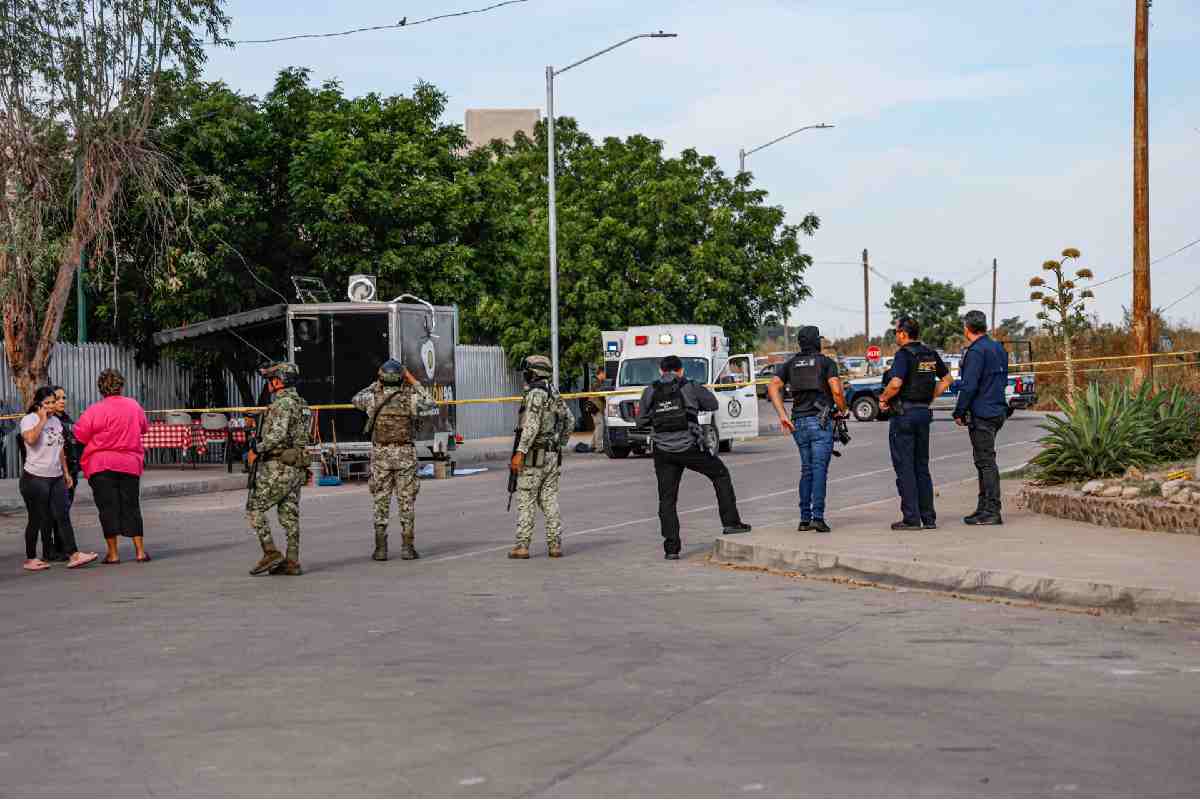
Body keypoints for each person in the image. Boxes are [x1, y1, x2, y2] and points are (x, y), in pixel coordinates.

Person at [637, 355, 751, 560]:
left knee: (667, 500)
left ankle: (671, 548)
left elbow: (641, 421)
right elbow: (713, 404)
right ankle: (731, 523)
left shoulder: (650, 390)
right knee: (720, 474)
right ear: (680, 370)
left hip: (663, 451)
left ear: (661, 371)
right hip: (689, 447)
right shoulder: (690, 386)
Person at [352, 358, 437, 561]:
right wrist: (413, 380)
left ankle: (380, 549)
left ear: (381, 378)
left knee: (381, 501)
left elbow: (355, 398)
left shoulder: (372, 398)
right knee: (406, 502)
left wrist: (376, 383)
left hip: (381, 456)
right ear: (401, 378)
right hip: (405, 456)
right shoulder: (410, 399)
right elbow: (431, 402)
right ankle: (407, 547)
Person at [767, 326, 849, 533]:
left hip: (798, 423)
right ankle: (817, 517)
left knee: (807, 469)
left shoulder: (790, 363)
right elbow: (837, 391)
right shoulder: (826, 362)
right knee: (819, 469)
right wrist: (843, 410)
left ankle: (804, 519)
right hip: (820, 422)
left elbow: (772, 386)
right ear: (817, 342)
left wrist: (782, 415)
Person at [878, 318, 953, 531]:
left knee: (905, 467)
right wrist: (930, 398)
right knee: (922, 466)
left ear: (903, 333)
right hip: (923, 413)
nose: (895, 335)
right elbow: (947, 379)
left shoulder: (903, 355)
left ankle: (911, 518)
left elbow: (896, 383)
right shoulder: (929, 353)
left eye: (896, 332)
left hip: (905, 415)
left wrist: (883, 399)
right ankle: (928, 517)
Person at [74, 369, 151, 564]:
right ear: (121, 386)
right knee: (132, 506)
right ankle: (140, 551)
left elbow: (80, 435)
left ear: (100, 388)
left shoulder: (94, 410)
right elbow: (144, 428)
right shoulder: (134, 406)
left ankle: (114, 554)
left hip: (101, 465)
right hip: (129, 464)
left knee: (107, 508)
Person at [18, 386, 98, 571]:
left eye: (53, 402)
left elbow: (59, 448)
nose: (52, 406)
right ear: (38, 404)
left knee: (62, 515)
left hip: (56, 477)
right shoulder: (29, 420)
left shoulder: (56, 422)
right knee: (36, 519)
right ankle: (31, 558)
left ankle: (74, 554)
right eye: (48, 403)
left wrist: (66, 472)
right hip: (35, 478)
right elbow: (30, 439)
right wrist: (42, 420)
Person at [246, 362, 312, 576]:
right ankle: (292, 561)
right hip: (295, 466)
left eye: (270, 380)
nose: (268, 385)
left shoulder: (282, 404)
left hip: (278, 466)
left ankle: (270, 552)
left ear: (279, 381)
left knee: (254, 508)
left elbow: (278, 434)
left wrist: (257, 448)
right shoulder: (302, 403)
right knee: (289, 515)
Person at [508, 355, 574, 559]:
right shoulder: (553, 392)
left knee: (526, 498)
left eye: (527, 371)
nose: (525, 376)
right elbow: (569, 420)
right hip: (552, 455)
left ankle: (522, 546)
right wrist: (558, 443)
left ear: (534, 373)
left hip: (534, 455)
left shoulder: (536, 393)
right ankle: (555, 545)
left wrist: (520, 452)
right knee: (549, 499)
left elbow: (531, 426)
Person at [953, 310, 1010, 525]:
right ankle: (983, 507)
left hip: (982, 413)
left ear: (967, 329)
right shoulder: (998, 348)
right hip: (997, 409)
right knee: (983, 461)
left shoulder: (976, 351)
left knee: (985, 462)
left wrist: (959, 411)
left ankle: (992, 510)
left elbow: (969, 386)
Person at [44, 386, 82, 562]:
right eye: (57, 398)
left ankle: (62, 547)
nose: (61, 401)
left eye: (63, 398)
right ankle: (51, 549)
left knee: (64, 510)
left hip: (71, 471)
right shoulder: (48, 421)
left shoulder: (67, 419)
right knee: (54, 512)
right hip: (54, 472)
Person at [588, 368, 611, 453]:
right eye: (604, 374)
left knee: (598, 425)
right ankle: (599, 447)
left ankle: (593, 445)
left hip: (597, 407)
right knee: (600, 425)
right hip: (595, 407)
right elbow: (599, 392)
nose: (605, 377)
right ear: (601, 373)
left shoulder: (597, 382)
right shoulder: (595, 381)